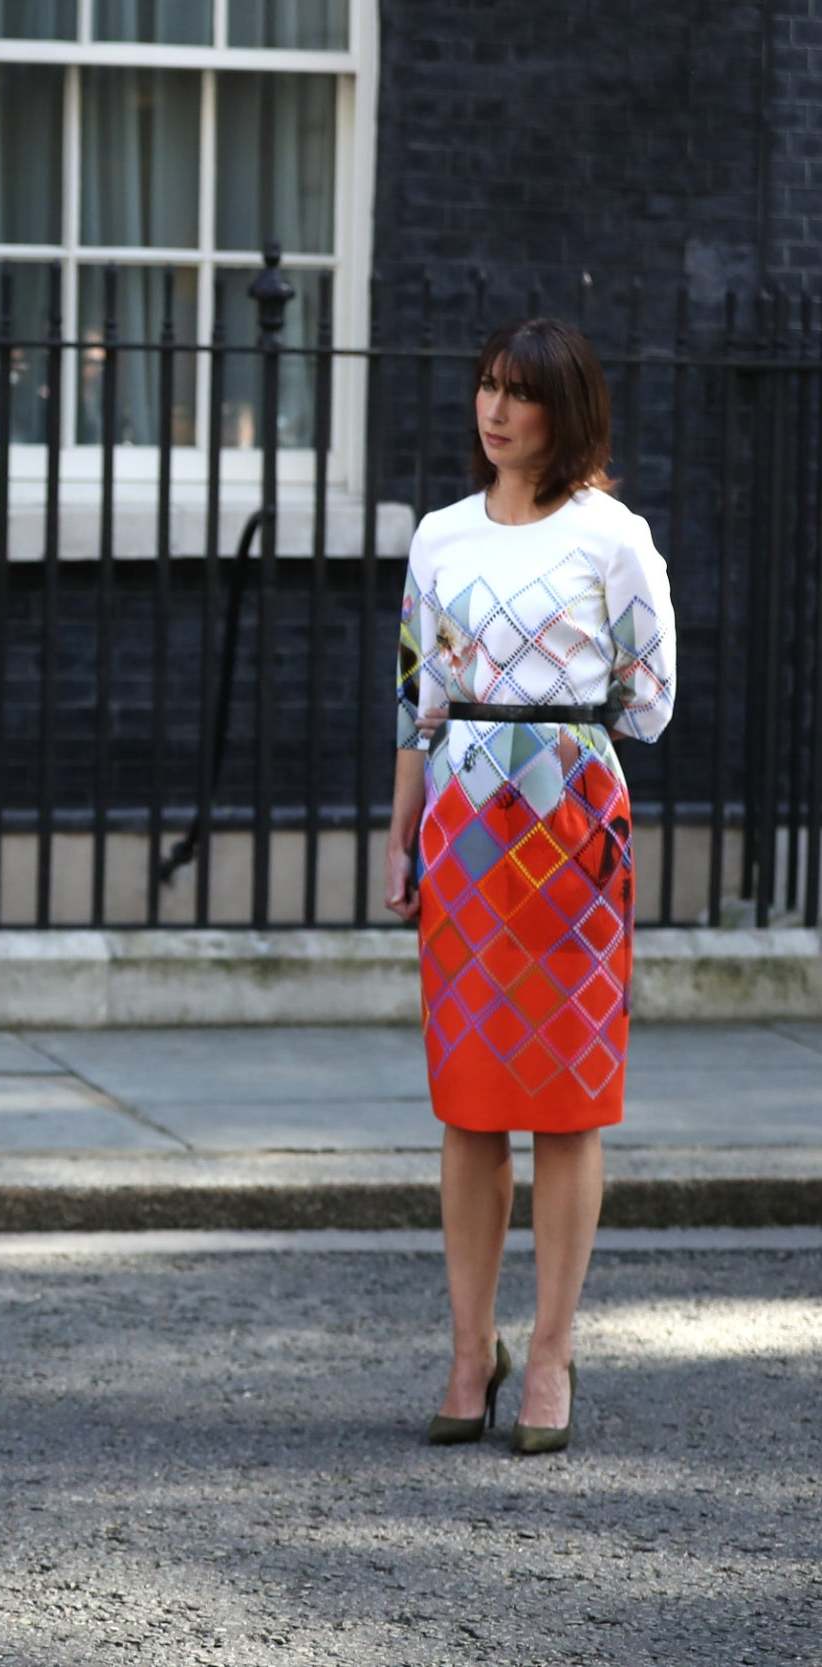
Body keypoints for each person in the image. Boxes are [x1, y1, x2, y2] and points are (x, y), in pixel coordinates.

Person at [385, 317, 675, 1456]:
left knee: (564, 1099)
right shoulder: (439, 537)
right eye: (485, 388)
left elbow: (647, 699)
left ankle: (548, 1349)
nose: (494, 410)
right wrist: (401, 824)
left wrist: (560, 735)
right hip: (459, 827)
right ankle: (470, 1350)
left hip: (573, 829)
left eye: (520, 393)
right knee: (466, 1101)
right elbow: (417, 686)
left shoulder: (614, 539)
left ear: (567, 410)